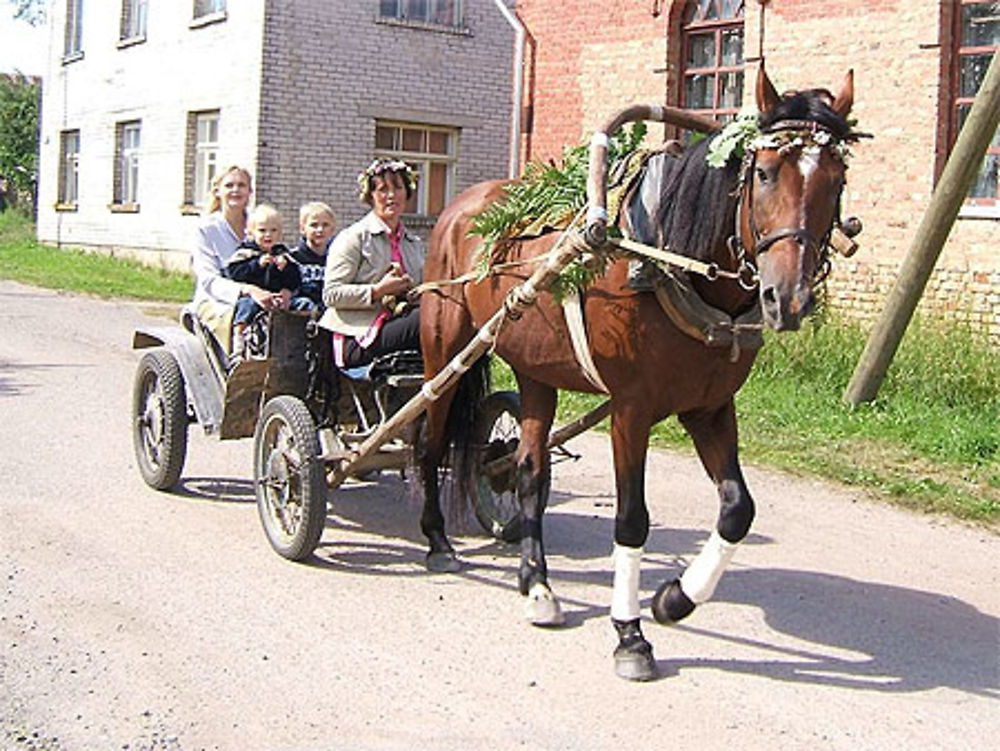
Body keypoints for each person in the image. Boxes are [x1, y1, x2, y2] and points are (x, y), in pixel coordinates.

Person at [320, 159, 424, 369]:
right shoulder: (353, 237)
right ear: (371, 196)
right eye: (383, 189)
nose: (391, 195)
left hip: (399, 325)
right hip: (359, 336)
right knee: (428, 317)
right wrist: (377, 291)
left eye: (398, 188)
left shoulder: (414, 244)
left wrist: (416, 292)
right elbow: (331, 294)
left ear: (407, 193)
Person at [190, 165, 291, 355]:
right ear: (218, 191)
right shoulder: (206, 229)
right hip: (218, 300)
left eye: (241, 185)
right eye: (229, 185)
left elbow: (279, 259)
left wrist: (284, 288)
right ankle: (237, 361)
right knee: (243, 318)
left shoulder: (260, 224)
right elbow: (208, 279)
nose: (235, 190)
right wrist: (248, 291)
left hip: (264, 295)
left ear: (250, 191)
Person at [225, 203, 305, 359]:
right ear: (251, 233)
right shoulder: (245, 252)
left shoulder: (283, 254)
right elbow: (234, 273)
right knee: (246, 307)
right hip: (255, 296)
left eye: (273, 231)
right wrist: (257, 264)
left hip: (278, 298)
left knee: (303, 304)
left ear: (280, 234)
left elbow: (296, 279)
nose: (268, 235)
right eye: (262, 230)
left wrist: (286, 271)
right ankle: (239, 341)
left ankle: (306, 341)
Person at [290, 201, 337, 310]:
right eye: (314, 225)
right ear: (303, 229)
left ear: (332, 229)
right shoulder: (293, 258)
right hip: (299, 312)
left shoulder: (336, 259)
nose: (320, 230)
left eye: (325, 225)